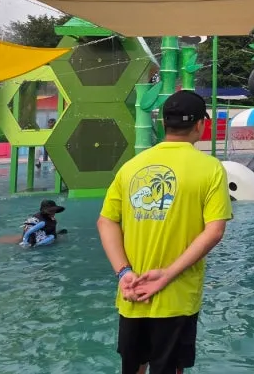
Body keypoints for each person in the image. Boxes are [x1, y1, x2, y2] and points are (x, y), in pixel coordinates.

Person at [97, 90, 232, 374]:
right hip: (177, 298)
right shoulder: (211, 169)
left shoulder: (131, 167)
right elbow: (215, 231)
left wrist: (124, 273)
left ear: (163, 124)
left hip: (132, 292)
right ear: (200, 125)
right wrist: (167, 275)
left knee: (133, 367)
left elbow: (105, 222)